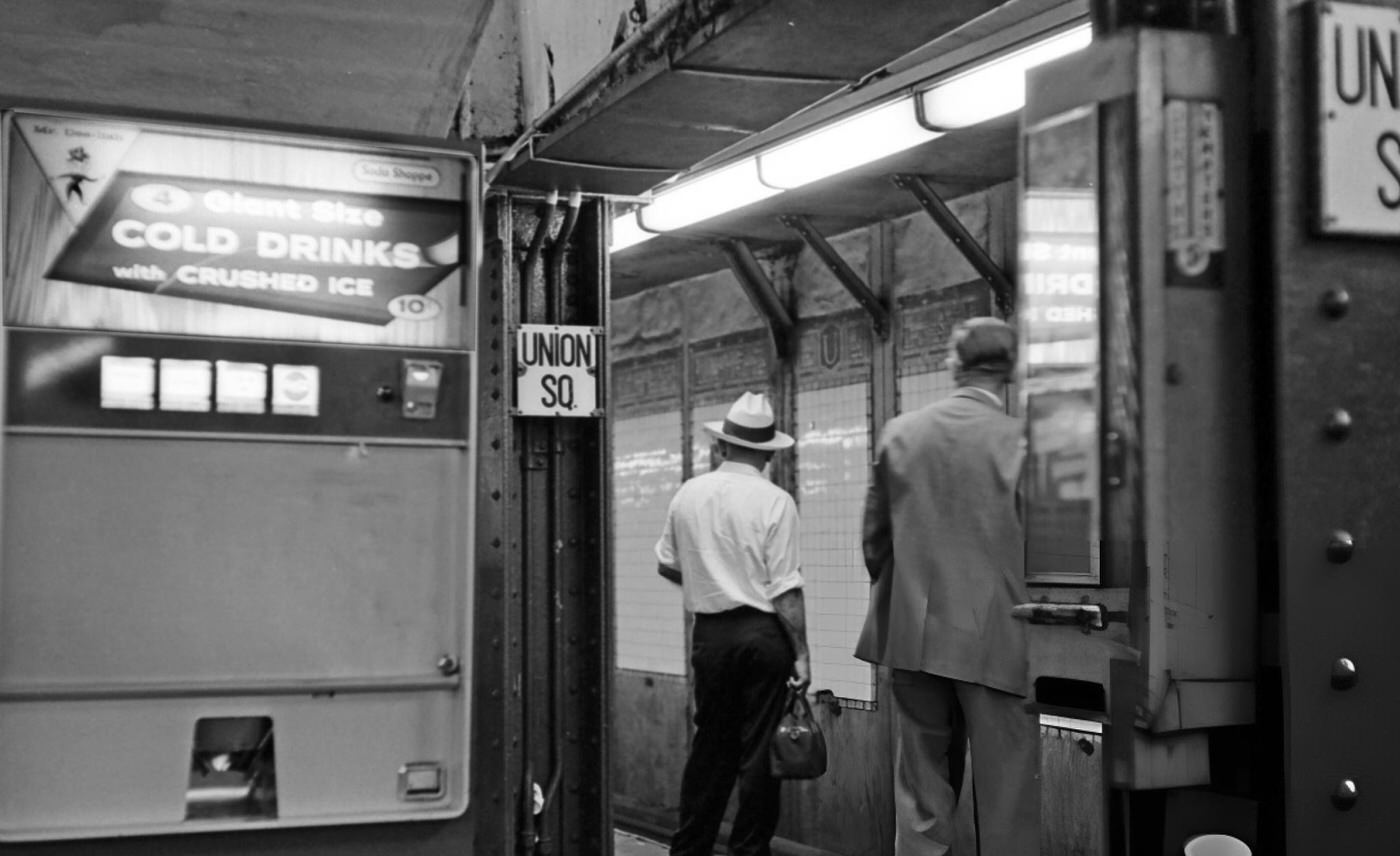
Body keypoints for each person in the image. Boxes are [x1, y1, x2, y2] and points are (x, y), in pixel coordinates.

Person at [855, 317, 1040, 855]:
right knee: (1007, 790)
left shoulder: (901, 433)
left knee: (920, 785)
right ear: (1011, 371)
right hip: (999, 637)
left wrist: (910, 596)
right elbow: (1046, 549)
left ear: (953, 365)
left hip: (915, 636)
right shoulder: (1023, 442)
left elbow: (875, 543)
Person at [656, 390, 811, 856]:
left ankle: (689, 848)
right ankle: (748, 850)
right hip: (764, 637)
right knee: (760, 751)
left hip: (711, 635)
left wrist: (709, 579)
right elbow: (784, 589)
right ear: (767, 452)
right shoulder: (776, 501)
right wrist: (802, 653)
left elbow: (666, 563)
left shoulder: (688, 493)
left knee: (711, 748)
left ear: (722, 446)